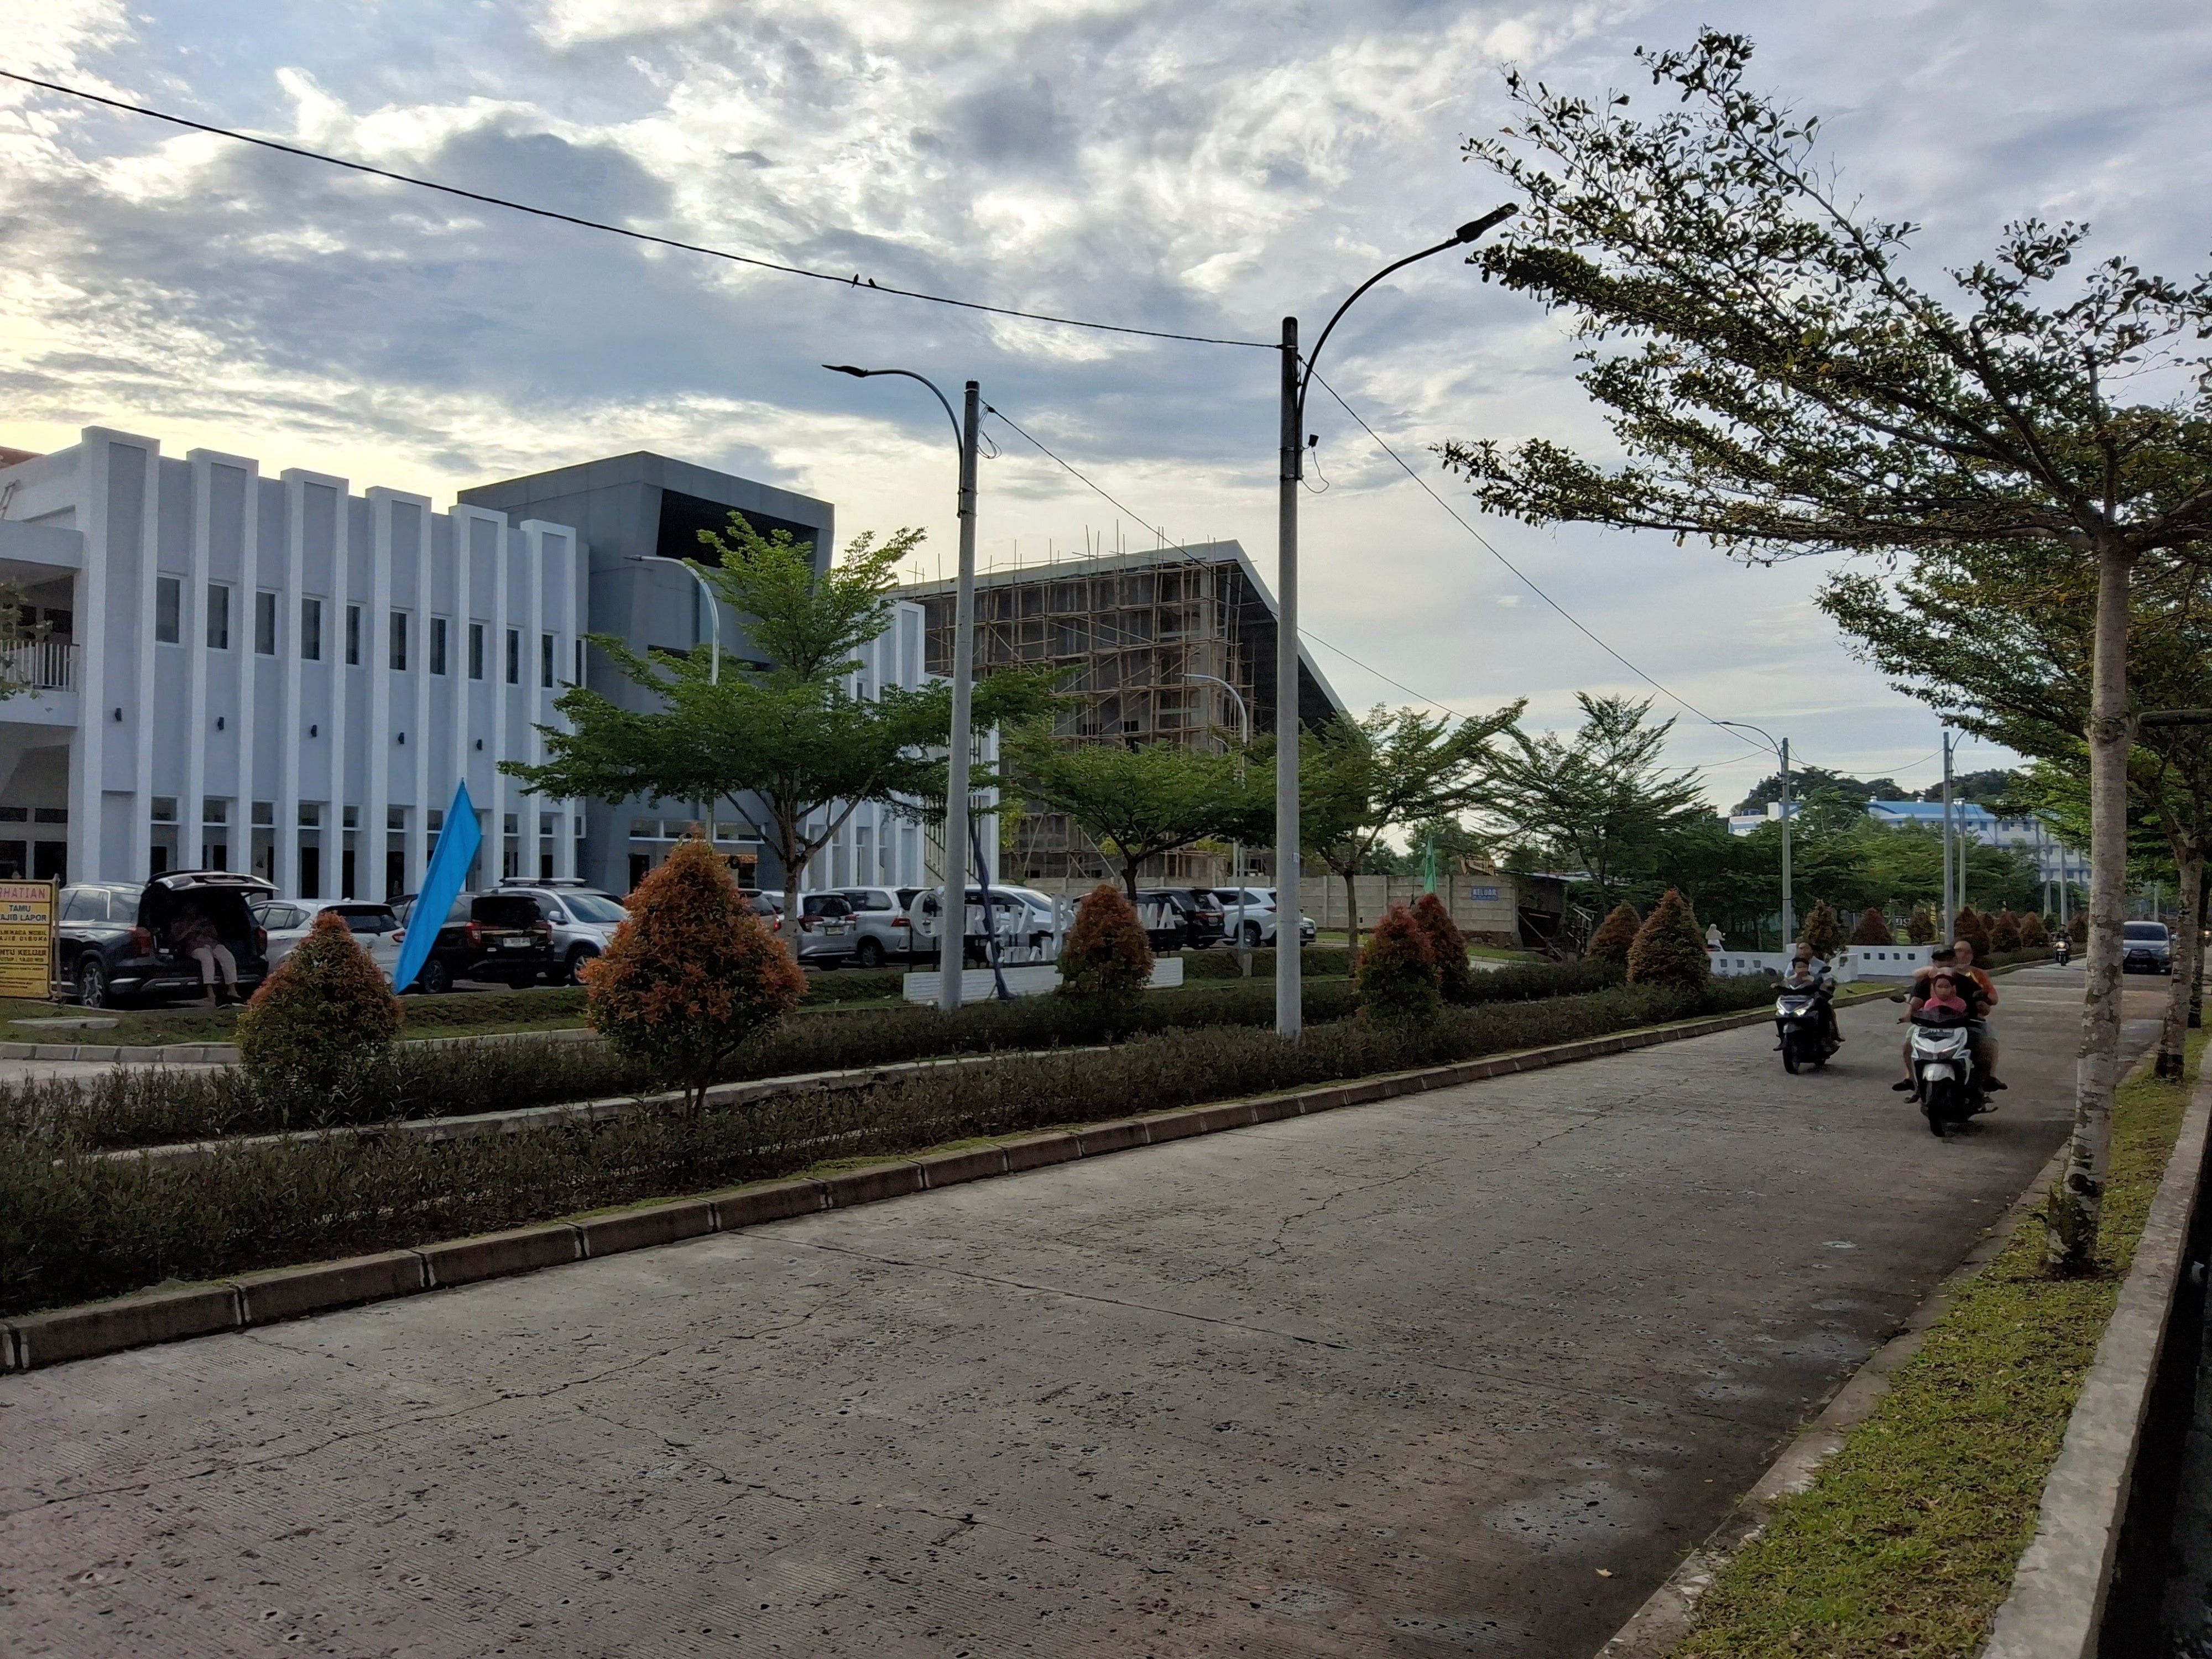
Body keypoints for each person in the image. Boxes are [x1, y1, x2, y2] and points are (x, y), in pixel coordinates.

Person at [1895, 939, 2004, 1091]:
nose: (1944, 963)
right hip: (1931, 1025)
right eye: (1940, 960)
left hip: (1964, 1024)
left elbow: (1986, 1003)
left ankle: (1985, 1080)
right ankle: (1911, 1079)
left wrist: (1982, 1003)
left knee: (1987, 1044)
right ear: (1934, 962)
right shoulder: (1926, 980)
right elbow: (1916, 1000)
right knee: (1908, 1043)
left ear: (1954, 960)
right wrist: (1908, 1015)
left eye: (1948, 959)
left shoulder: (1967, 980)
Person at [169, 904, 238, 1008]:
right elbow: (175, 939)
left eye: (193, 907)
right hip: (194, 946)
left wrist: (205, 930)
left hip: (211, 944)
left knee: (227, 956)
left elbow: (215, 935)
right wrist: (189, 930)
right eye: (189, 907)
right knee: (207, 958)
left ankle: (232, 989)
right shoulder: (178, 922)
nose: (192, 910)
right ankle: (210, 992)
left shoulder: (204, 920)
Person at [1778, 941, 1841, 1047]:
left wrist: (1826, 986)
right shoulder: (1793, 964)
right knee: (1781, 1009)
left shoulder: (1820, 964)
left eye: (1805, 948)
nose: (1803, 951)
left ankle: (1825, 1036)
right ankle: (1782, 1036)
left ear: (1812, 950)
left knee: (1824, 1007)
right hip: (1798, 994)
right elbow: (1786, 979)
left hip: (1816, 994)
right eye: (1800, 948)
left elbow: (1827, 979)